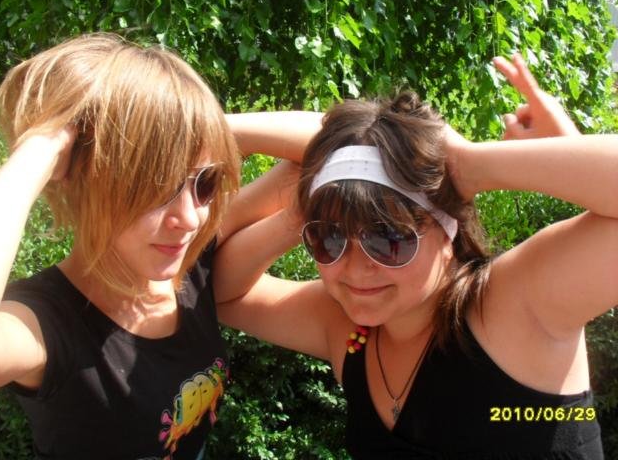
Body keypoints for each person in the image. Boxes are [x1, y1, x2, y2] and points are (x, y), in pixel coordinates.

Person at [215, 54, 617, 458]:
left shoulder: (513, 306)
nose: (355, 269)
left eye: (389, 238)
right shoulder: (347, 328)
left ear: (448, 231)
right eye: (329, 239)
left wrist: (470, 164)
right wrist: (297, 203)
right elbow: (219, 291)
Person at [0, 33, 319, 459]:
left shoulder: (188, 262)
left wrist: (192, 123)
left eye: (205, 182)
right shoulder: (46, 324)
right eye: (157, 186)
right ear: (85, 181)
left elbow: (338, 146)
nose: (190, 218)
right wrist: (42, 147)